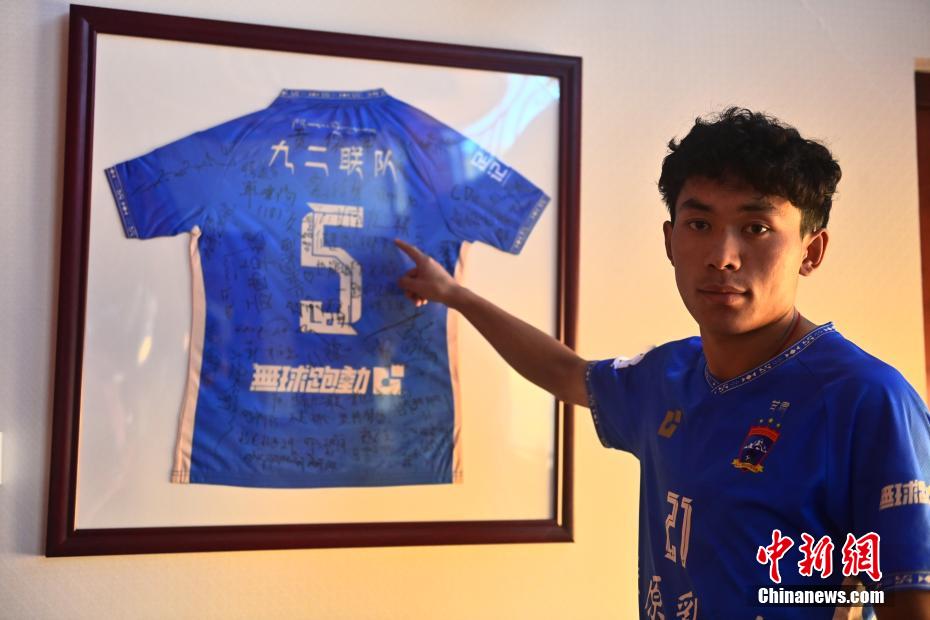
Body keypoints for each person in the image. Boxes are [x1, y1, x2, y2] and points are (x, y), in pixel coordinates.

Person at [395, 107, 930, 619]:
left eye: (756, 228)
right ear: (670, 241)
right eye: (699, 224)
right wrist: (454, 294)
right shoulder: (669, 375)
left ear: (811, 252)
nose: (722, 256)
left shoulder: (864, 398)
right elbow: (565, 373)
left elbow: (911, 601)